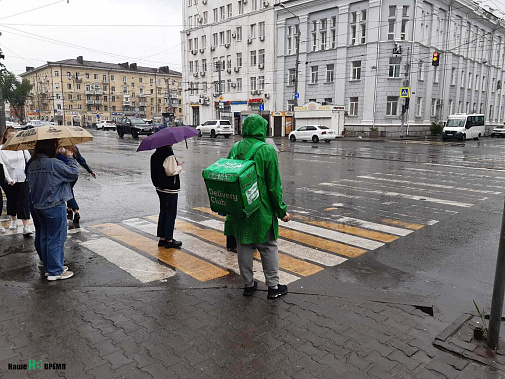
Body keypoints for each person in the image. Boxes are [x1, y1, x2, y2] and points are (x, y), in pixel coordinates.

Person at [224, 114, 291, 299]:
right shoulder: (266, 150)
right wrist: (281, 211)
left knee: (244, 245)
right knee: (268, 246)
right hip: (260, 209)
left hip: (240, 209)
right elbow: (273, 186)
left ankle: (248, 285)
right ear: (261, 129)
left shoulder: (236, 147)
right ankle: (273, 287)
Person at [27, 139, 79, 281]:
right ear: (50, 147)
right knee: (56, 238)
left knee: (44, 235)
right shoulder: (54, 163)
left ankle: (49, 265)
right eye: (56, 146)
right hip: (54, 204)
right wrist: (69, 156)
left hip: (38, 205)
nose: (58, 148)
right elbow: (73, 173)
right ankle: (55, 271)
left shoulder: (33, 163)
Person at [0, 127, 32, 235]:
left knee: (24, 202)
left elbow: (29, 161)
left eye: (14, 137)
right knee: (12, 200)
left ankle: (26, 226)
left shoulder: (22, 148)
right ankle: (13, 220)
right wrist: (8, 179)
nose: (11, 139)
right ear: (5, 137)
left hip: (23, 178)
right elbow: (2, 166)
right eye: (9, 137)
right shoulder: (1, 149)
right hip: (9, 179)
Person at [150, 144, 183, 249]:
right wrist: (179, 167)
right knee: (171, 213)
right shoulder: (168, 154)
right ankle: (169, 240)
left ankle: (162, 238)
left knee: (163, 211)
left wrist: (174, 165)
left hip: (160, 187)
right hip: (170, 188)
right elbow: (170, 172)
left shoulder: (155, 154)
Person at [58, 145, 96, 225]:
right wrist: (90, 171)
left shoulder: (60, 147)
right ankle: (69, 209)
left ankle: (76, 212)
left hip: (65, 174)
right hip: (74, 175)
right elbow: (81, 160)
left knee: (68, 192)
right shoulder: (73, 147)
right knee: (69, 190)